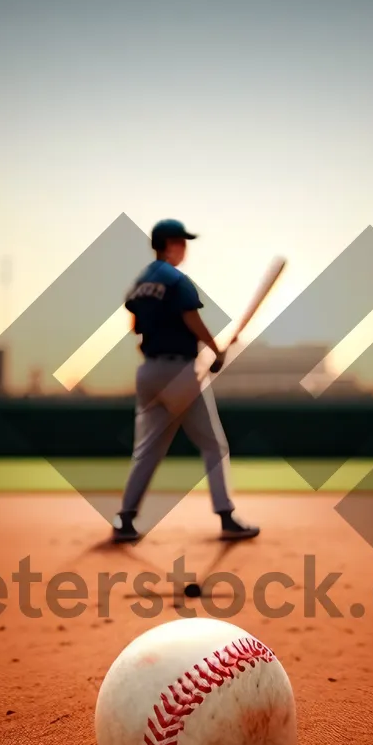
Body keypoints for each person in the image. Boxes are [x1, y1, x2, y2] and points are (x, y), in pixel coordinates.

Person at [113, 219, 259, 544]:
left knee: (147, 450)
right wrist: (216, 349)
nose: (185, 248)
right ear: (172, 243)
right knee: (213, 444)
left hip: (148, 372)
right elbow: (190, 317)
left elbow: (136, 328)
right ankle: (226, 517)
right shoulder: (176, 279)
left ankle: (124, 520)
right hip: (179, 372)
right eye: (182, 242)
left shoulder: (141, 282)